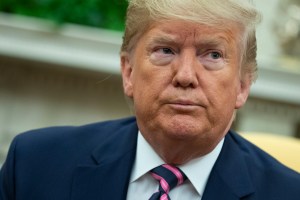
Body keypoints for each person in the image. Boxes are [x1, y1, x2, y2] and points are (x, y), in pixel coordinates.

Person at [1, 0, 300, 199]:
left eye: (213, 55)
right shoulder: (34, 165)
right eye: (165, 50)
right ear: (129, 71)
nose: (185, 75)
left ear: (243, 85)